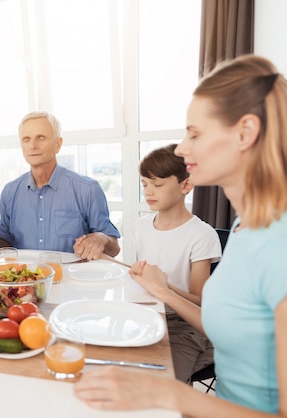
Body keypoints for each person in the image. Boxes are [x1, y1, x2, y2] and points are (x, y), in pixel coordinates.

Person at [74, 54, 287, 416]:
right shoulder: (245, 227)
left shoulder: (279, 246)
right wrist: (159, 289)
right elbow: (228, 324)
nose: (182, 149)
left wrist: (169, 393)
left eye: (195, 133)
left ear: (245, 133)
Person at [0, 111, 120, 258]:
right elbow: (6, 243)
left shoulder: (87, 189)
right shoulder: (9, 192)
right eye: (26, 139)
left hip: (73, 278)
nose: (33, 145)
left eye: (41, 138)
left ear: (58, 144)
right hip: (25, 278)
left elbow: (114, 248)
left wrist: (101, 239)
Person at [134, 144, 221, 382]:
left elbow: (200, 303)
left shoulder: (202, 235)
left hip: (183, 326)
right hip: (147, 316)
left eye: (158, 184)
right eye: (144, 184)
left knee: (166, 386)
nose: (148, 192)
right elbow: (141, 279)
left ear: (186, 185)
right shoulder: (141, 226)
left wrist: (163, 286)